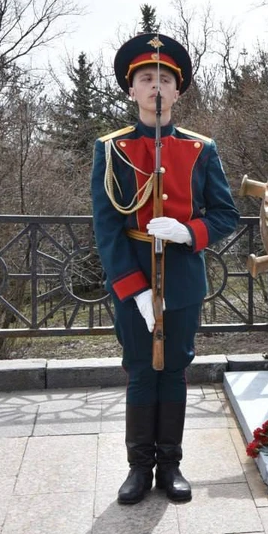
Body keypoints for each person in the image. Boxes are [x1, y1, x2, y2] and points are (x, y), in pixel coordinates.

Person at [91, 33, 239, 504]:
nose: (156, 87)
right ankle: (139, 467)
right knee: (139, 369)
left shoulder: (201, 149)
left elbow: (225, 214)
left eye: (165, 80)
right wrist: (131, 288)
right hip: (133, 273)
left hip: (181, 276)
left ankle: (170, 464)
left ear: (179, 91)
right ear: (131, 90)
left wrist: (188, 232)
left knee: (174, 369)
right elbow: (107, 226)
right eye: (146, 79)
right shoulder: (110, 149)